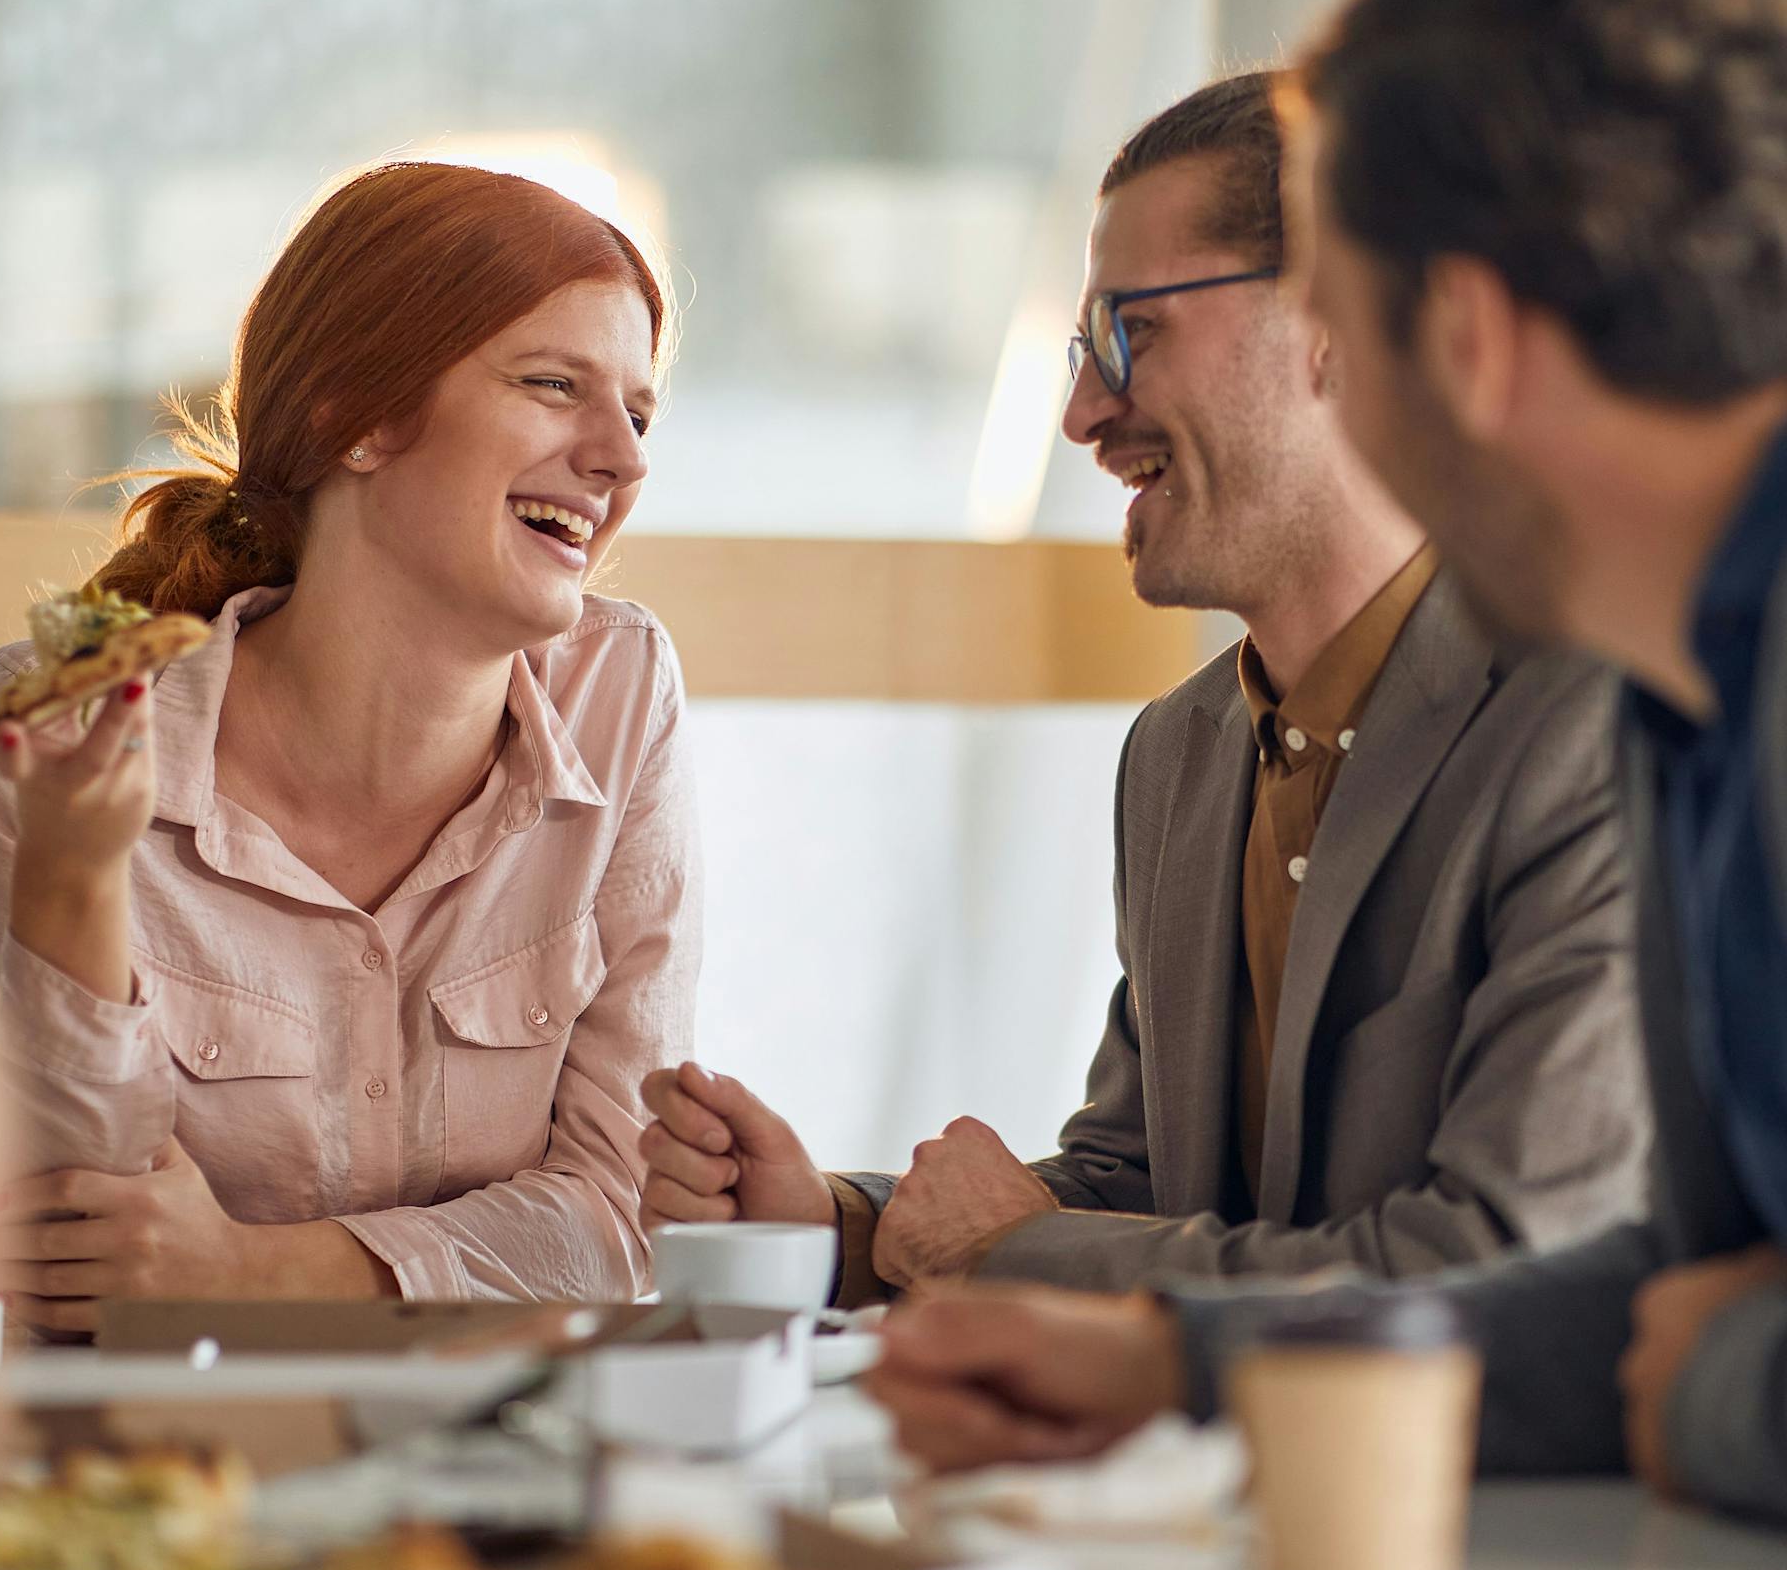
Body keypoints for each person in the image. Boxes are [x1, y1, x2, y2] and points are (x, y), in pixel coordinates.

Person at [865, 0, 1787, 1527]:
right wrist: (1172, 1370)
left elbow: (1682, 1342)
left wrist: (1731, 1377)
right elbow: (1643, 1306)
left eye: (1353, 335)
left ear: (1470, 341)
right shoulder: (1682, 703)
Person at [639, 74, 1648, 1305]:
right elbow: (1138, 1184)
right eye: (1082, 348)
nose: (1081, 412)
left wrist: (1002, 1247)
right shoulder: (1179, 753)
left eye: (1130, 330)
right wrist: (837, 1226)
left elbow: (1499, 1269)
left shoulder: (1596, 728)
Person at [0, 162, 700, 1335]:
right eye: (555, 385)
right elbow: (75, 1265)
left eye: (639, 413)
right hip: (163, 1488)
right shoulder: (69, 723)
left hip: (503, 1482)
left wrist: (249, 1271)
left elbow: (618, 1212)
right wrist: (72, 875)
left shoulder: (621, 693)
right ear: (352, 416)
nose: (623, 456)